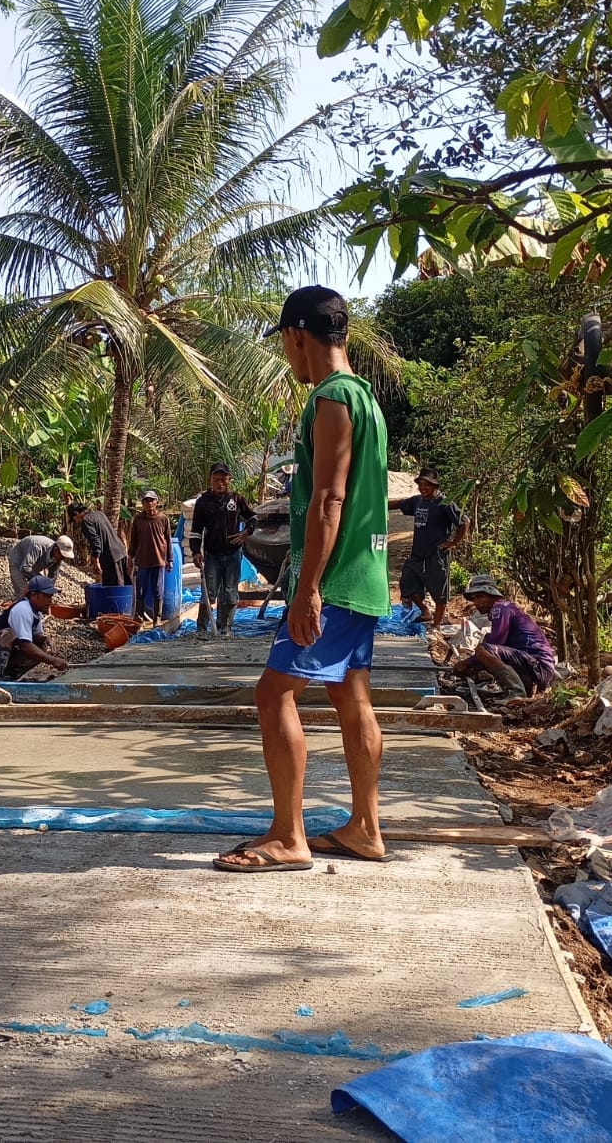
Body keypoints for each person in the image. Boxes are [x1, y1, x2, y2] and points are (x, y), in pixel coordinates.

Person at [215, 286, 390, 872]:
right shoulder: (365, 398)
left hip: (334, 580)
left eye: (285, 343)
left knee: (273, 694)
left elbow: (328, 498)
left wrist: (308, 587)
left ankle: (289, 837)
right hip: (365, 576)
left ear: (296, 336)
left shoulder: (331, 398)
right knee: (351, 695)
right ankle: (365, 828)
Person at [452, 574, 557, 702]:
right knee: (486, 643)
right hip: (537, 668)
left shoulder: (500, 608)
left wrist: (466, 663)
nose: (476, 602)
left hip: (537, 666)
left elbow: (496, 643)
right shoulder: (506, 608)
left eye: (479, 596)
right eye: (474, 599)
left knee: (483, 649)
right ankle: (516, 688)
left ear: (491, 594)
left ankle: (516, 693)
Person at [190, 462, 256, 639]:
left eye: (223, 479)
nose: (219, 483)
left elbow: (253, 518)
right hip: (212, 554)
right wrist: (196, 552)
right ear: (210, 480)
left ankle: (225, 627)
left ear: (229, 480)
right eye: (216, 479)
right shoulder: (203, 502)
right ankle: (202, 628)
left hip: (233, 553)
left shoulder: (236, 499)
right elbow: (196, 530)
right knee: (209, 591)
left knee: (230, 591)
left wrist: (245, 533)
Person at [396, 468, 468, 629]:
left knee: (439, 590)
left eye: (427, 484)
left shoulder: (445, 503)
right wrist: (377, 502)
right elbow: (400, 504)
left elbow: (464, 522)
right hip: (417, 553)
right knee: (407, 582)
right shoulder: (417, 501)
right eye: (420, 484)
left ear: (435, 486)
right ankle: (425, 611)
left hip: (436, 554)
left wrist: (454, 542)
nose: (423, 487)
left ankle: (436, 624)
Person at [0, 574, 71, 680]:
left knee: (41, 645)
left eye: (51, 596)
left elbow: (34, 636)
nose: (50, 601)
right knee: (11, 634)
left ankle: (10, 677)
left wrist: (45, 638)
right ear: (34, 595)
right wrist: (53, 660)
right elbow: (25, 645)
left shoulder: (36, 612)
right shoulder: (23, 609)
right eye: (46, 596)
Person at [128, 490, 173, 625]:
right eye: (146, 501)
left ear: (156, 502)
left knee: (157, 591)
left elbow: (168, 540)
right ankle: (139, 617)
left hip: (158, 560)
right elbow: (133, 540)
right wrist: (130, 557)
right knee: (140, 590)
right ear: (143, 504)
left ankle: (157, 618)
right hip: (142, 561)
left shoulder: (163, 519)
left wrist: (170, 559)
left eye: (151, 500)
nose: (149, 504)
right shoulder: (138, 519)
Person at [66, 502, 130, 587]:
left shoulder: (86, 521)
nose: (76, 522)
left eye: (74, 519)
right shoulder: (99, 514)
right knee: (126, 585)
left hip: (111, 557)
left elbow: (96, 542)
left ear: (77, 513)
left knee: (114, 587)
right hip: (121, 551)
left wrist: (96, 561)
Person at [7, 533, 77, 598]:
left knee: (40, 592)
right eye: (62, 556)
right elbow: (25, 567)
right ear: (56, 550)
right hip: (17, 562)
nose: (63, 559)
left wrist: (49, 589)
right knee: (24, 592)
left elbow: (52, 576)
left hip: (35, 564)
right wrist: (41, 580)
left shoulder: (58, 558)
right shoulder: (37, 546)